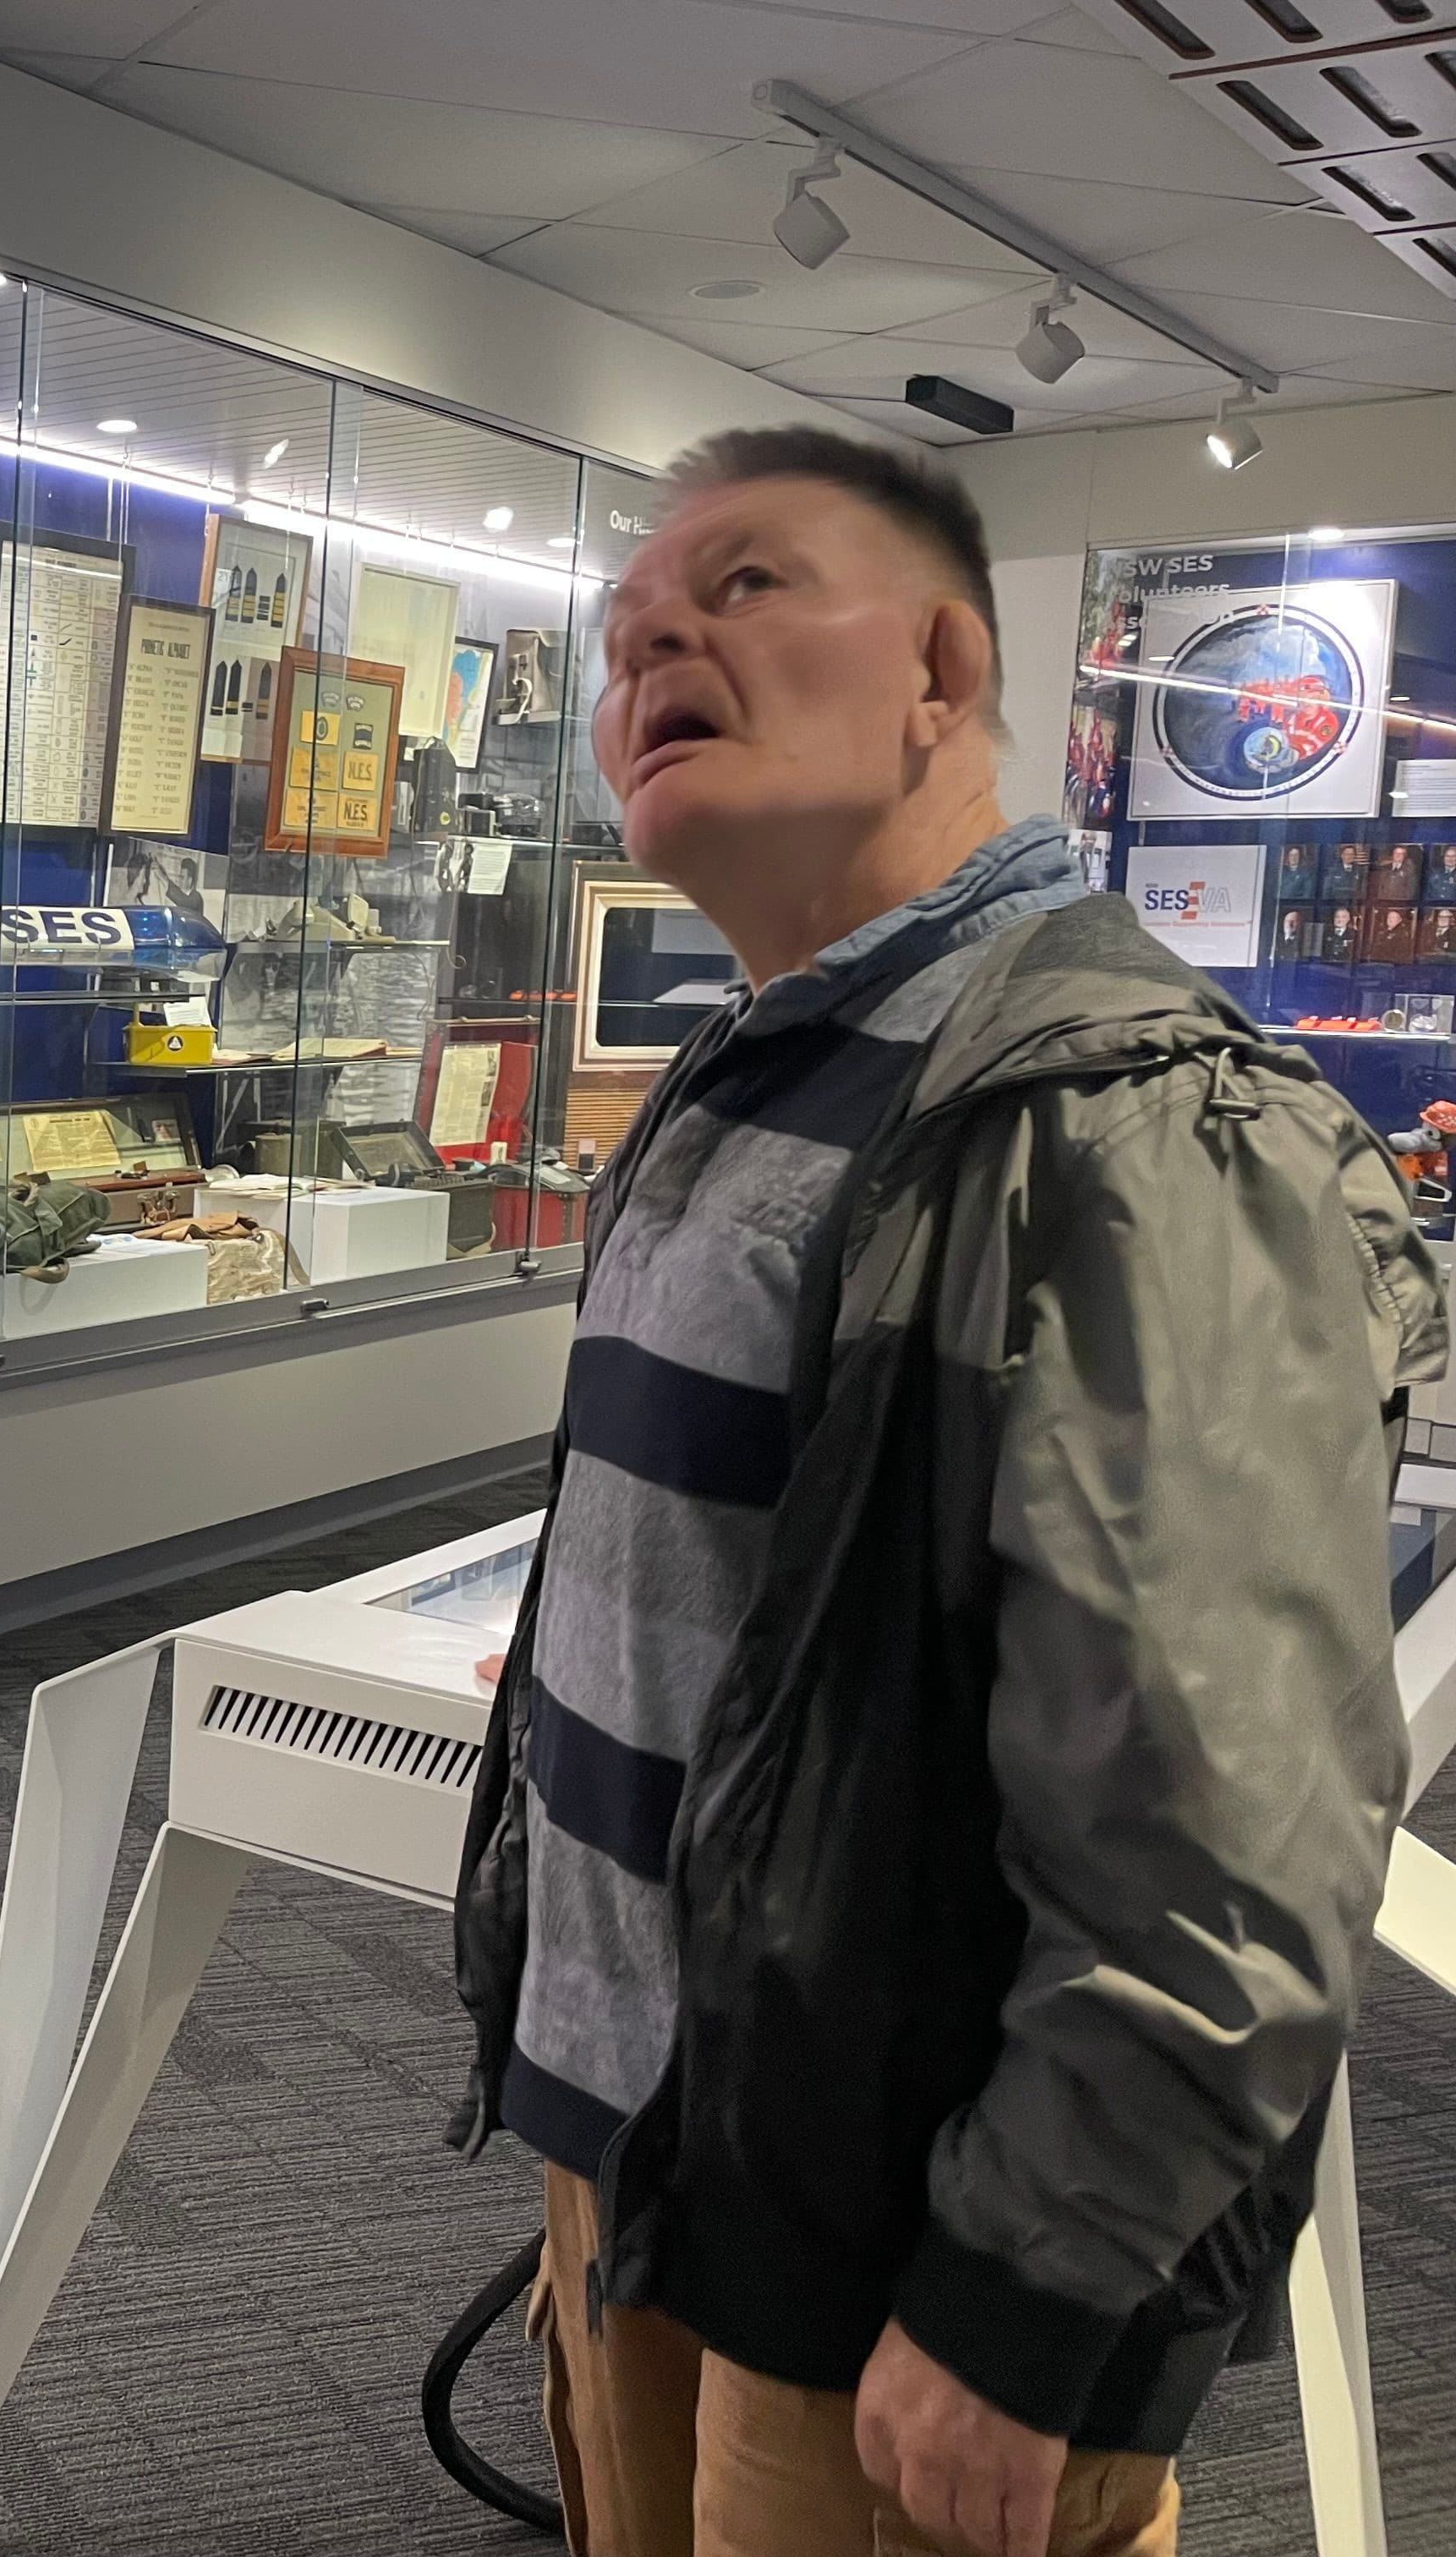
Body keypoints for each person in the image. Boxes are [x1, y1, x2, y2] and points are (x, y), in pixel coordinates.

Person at [448, 425, 1444, 2557]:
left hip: (898, 2247)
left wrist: (1030, 2298)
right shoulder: (754, 1069)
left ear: (939, 670)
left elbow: (1223, 1821)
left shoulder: (1135, 1126)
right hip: (653, 2150)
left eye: (739, 587)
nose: (649, 637)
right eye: (631, 620)